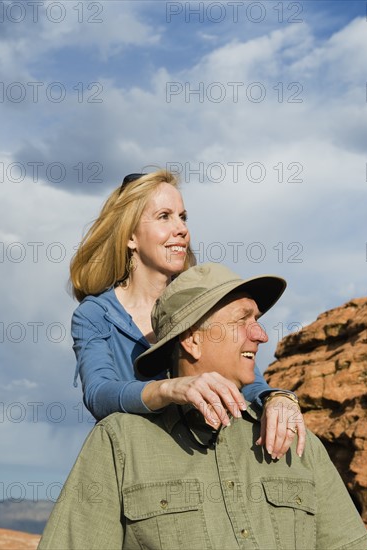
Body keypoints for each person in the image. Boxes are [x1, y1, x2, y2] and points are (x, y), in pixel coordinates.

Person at [39, 263, 367, 550]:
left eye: (256, 320)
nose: (260, 335)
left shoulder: (293, 439)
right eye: (243, 320)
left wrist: (278, 395)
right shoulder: (119, 444)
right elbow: (98, 389)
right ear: (192, 340)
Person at [70, 169, 305, 458]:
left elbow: (247, 377)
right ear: (130, 236)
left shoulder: (202, 301)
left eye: (183, 217)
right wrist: (171, 388)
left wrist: (277, 398)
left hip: (205, 456)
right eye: (164, 216)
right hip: (137, 461)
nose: (181, 229)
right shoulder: (95, 314)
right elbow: (99, 394)